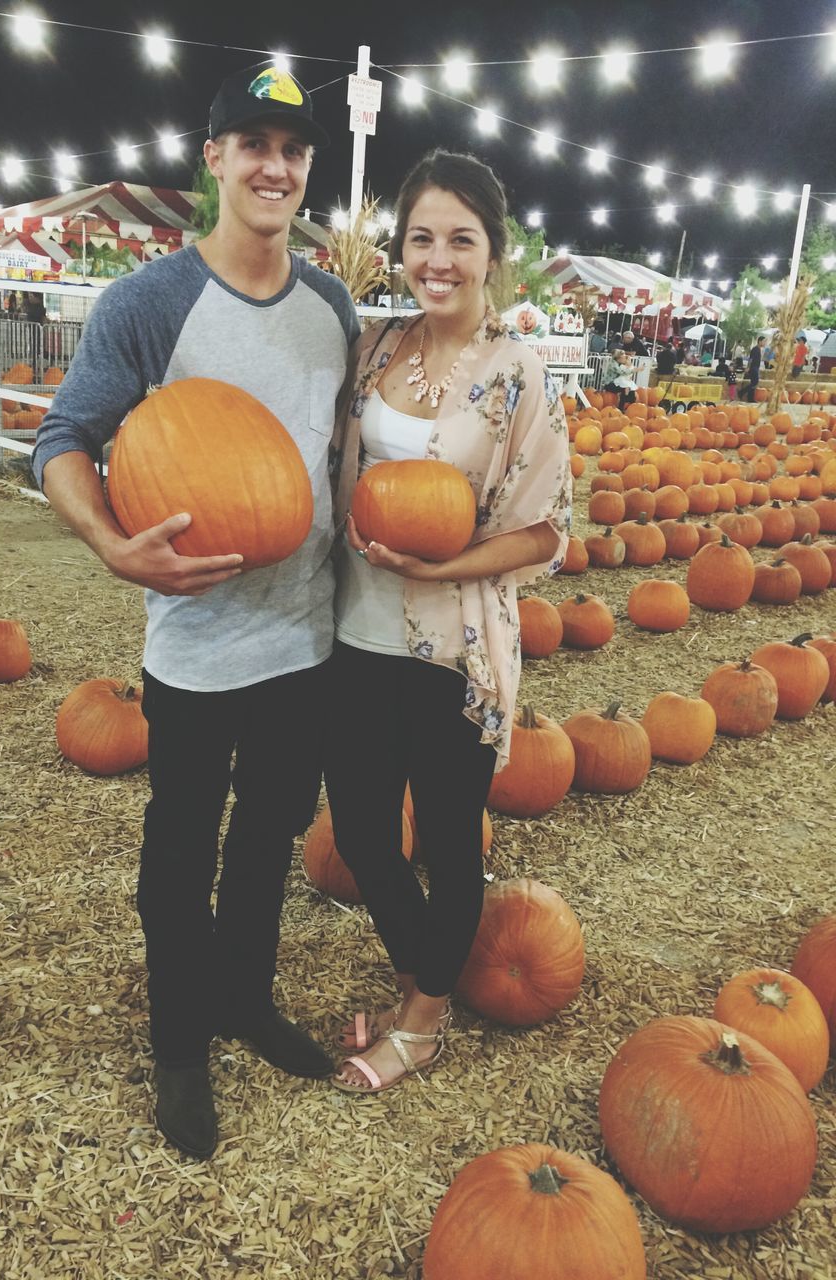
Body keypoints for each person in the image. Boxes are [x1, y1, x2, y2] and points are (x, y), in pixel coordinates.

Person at [31, 63, 359, 1159]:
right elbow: (63, 440)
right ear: (213, 158)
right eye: (252, 143)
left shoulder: (332, 307)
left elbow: (339, 459)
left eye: (294, 149)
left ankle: (244, 1000)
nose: (275, 165)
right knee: (179, 850)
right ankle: (180, 1039)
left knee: (267, 838)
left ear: (308, 168)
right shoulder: (149, 302)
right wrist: (114, 545)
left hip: (305, 638)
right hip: (197, 646)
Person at [324, 150, 571, 1094]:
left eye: (460, 239)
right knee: (358, 828)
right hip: (356, 632)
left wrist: (444, 562)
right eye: (422, 237)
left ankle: (422, 1025)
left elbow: (548, 528)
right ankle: (415, 980)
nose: (439, 258)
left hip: (452, 648)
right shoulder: (375, 346)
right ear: (402, 250)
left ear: (491, 255)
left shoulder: (519, 376)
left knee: (451, 834)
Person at [743, 335, 766, 401]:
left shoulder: (758, 349)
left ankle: (750, 398)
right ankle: (742, 392)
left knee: (753, 382)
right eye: (764, 341)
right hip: (753, 368)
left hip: (756, 367)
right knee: (755, 382)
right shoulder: (755, 349)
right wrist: (748, 367)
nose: (765, 343)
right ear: (760, 341)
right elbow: (751, 359)